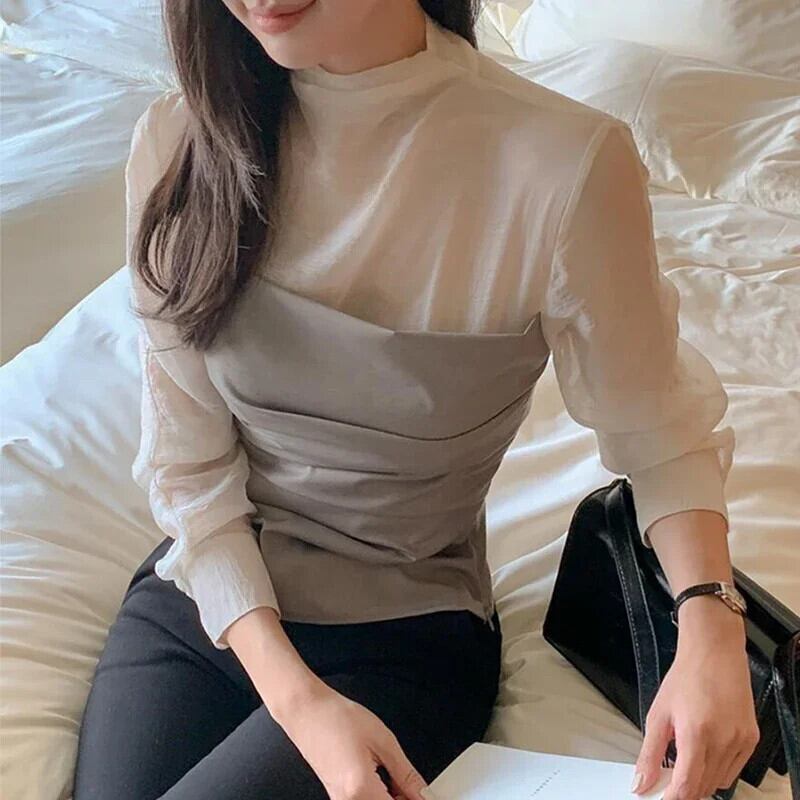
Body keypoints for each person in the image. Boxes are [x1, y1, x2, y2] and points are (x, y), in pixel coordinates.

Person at [72, 2, 759, 799]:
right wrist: (299, 703)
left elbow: (658, 431)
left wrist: (710, 623)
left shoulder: (560, 164)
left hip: (402, 632)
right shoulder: (178, 142)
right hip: (210, 595)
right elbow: (189, 472)